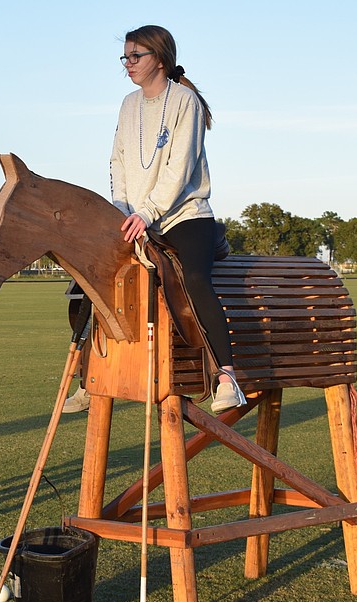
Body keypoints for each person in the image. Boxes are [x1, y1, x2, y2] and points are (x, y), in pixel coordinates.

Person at [112, 25, 246, 413]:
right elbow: (118, 160)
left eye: (135, 56)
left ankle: (227, 377)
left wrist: (147, 211)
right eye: (125, 57)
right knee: (90, 274)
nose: (128, 64)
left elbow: (180, 168)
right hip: (137, 217)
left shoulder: (185, 101)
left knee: (196, 279)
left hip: (184, 214)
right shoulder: (128, 104)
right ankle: (90, 376)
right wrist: (122, 208)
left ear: (160, 59)